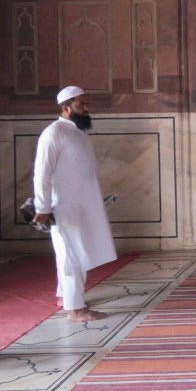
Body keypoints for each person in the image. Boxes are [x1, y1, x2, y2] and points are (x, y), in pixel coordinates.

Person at [32, 86, 118, 322]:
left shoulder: (77, 132)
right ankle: (75, 309)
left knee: (73, 254)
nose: (87, 109)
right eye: (82, 105)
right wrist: (42, 207)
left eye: (87, 104)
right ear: (66, 108)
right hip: (64, 208)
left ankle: (63, 297)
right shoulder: (54, 133)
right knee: (72, 257)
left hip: (81, 206)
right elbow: (42, 173)